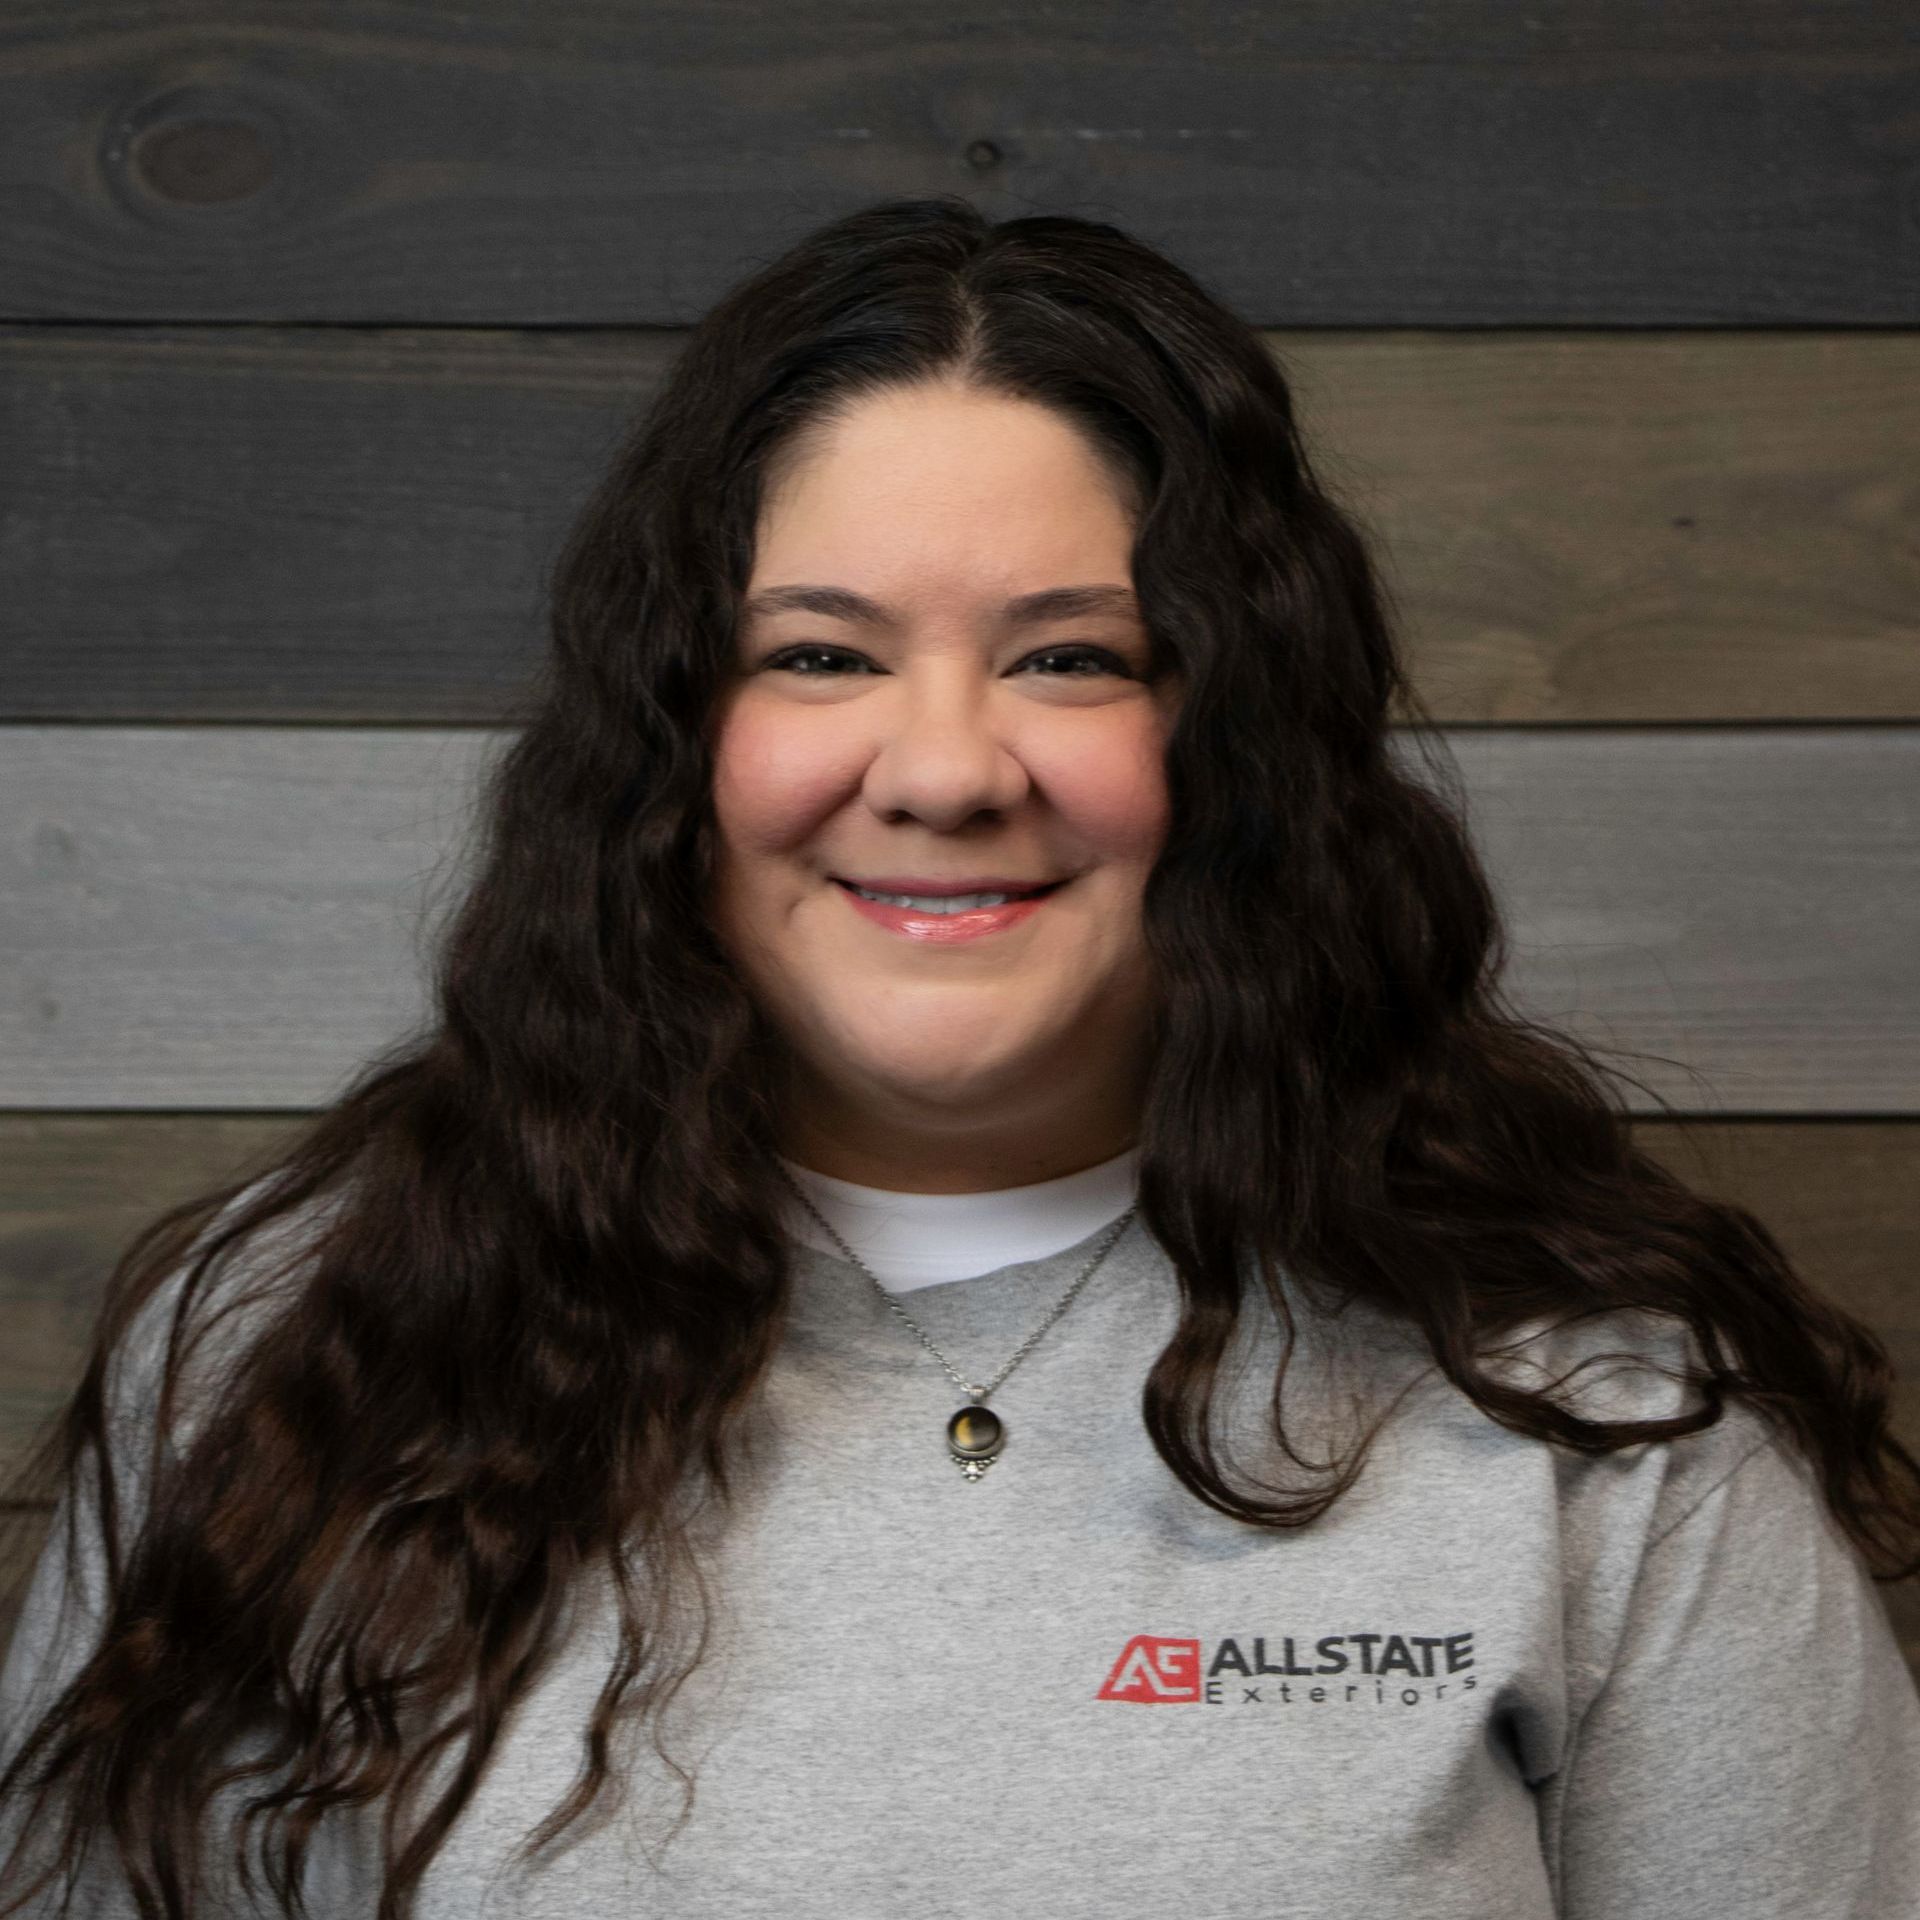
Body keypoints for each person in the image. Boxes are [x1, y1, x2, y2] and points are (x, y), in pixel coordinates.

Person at [2, 193, 1916, 1919]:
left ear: (1235, 738)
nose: (940, 769)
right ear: (670, 741)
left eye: (1071, 656)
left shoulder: (1583, 1403)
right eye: (818, 656)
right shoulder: (285, 1344)